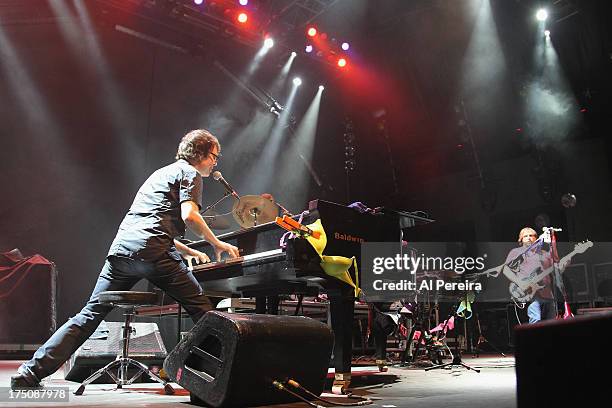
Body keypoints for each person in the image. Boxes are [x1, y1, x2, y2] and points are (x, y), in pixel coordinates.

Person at [11, 129, 240, 389]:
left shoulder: (158, 174)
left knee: (88, 315)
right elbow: (189, 215)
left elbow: (148, 222)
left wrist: (188, 251)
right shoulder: (190, 173)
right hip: (154, 252)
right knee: (204, 310)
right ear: (200, 153)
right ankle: (227, 378)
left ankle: (28, 373)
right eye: (214, 156)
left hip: (121, 251)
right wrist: (217, 243)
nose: (215, 162)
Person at [501, 227, 569, 323]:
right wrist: (519, 282)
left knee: (552, 322)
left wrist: (553, 244)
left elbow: (556, 265)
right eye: (525, 236)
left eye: (531, 235)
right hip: (532, 294)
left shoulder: (544, 254)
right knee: (536, 321)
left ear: (536, 238)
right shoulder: (517, 252)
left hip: (548, 294)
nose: (528, 238)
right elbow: (506, 270)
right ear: (521, 239)